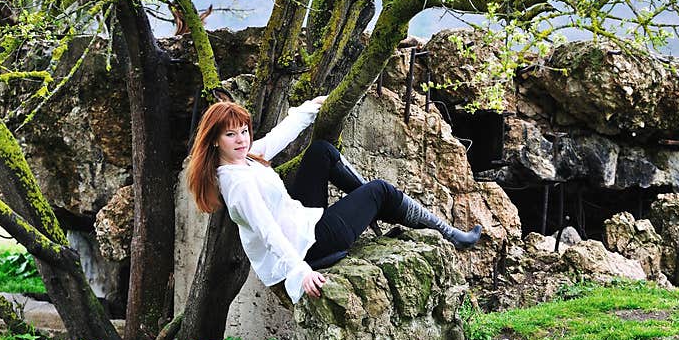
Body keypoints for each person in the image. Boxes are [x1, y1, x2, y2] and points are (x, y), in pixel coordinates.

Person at [186, 96, 482, 304]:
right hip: (309, 248)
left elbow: (277, 138)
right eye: (230, 134)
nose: (241, 139)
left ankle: (378, 208)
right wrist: (300, 273)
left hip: (302, 224)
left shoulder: (244, 159)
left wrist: (308, 108)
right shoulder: (239, 185)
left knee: (321, 152)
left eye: (244, 131)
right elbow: (267, 231)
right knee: (379, 189)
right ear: (214, 140)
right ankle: (450, 234)